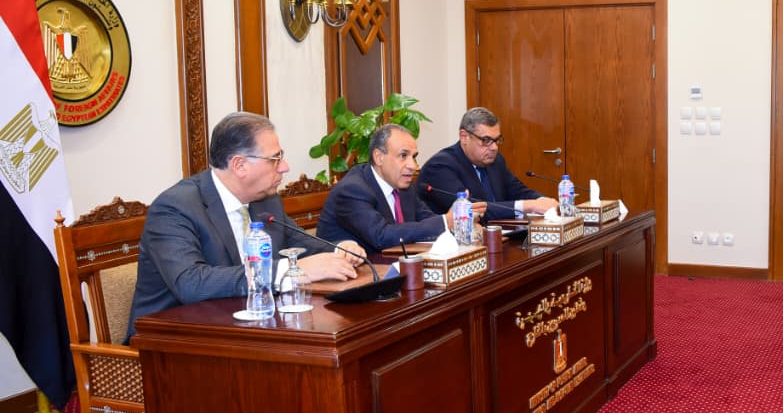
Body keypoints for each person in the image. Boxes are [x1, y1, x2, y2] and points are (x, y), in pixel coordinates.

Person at [127, 112, 363, 340]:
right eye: (275, 159)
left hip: (245, 327)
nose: (284, 167)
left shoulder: (265, 199)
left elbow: (298, 241)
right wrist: (289, 272)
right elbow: (191, 283)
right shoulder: (175, 207)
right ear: (239, 165)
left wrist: (340, 249)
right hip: (170, 341)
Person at [317, 123, 467, 252]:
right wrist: (445, 221)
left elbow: (427, 220)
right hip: (353, 272)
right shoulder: (352, 190)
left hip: (393, 266)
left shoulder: (404, 186)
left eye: (414, 157)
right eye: (403, 155)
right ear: (379, 157)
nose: (413, 166)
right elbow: (381, 236)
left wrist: (457, 224)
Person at [418, 107, 556, 220]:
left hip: (499, 234)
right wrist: (529, 206)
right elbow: (472, 210)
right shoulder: (440, 167)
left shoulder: (496, 161)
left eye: (497, 140)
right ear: (464, 137)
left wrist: (544, 201)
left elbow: (518, 191)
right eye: (486, 140)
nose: (494, 147)